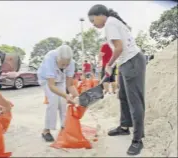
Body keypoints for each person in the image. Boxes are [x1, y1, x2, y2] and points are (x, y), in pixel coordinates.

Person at [88, 5, 146, 156]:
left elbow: (118, 48)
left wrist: (109, 64)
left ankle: (138, 140)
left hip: (132, 61)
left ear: (100, 15)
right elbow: (120, 49)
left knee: (135, 101)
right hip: (126, 62)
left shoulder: (110, 23)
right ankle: (125, 127)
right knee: (123, 96)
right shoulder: (113, 22)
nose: (93, 24)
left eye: (92, 20)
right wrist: (114, 66)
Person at [37, 45, 79, 142]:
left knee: (63, 103)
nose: (64, 67)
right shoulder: (49, 59)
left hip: (60, 80)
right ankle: (46, 130)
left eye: (66, 64)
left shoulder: (71, 63)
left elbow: (70, 85)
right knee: (53, 100)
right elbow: (51, 86)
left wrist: (78, 97)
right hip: (46, 80)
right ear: (57, 58)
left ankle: (65, 127)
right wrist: (66, 95)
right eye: (62, 64)